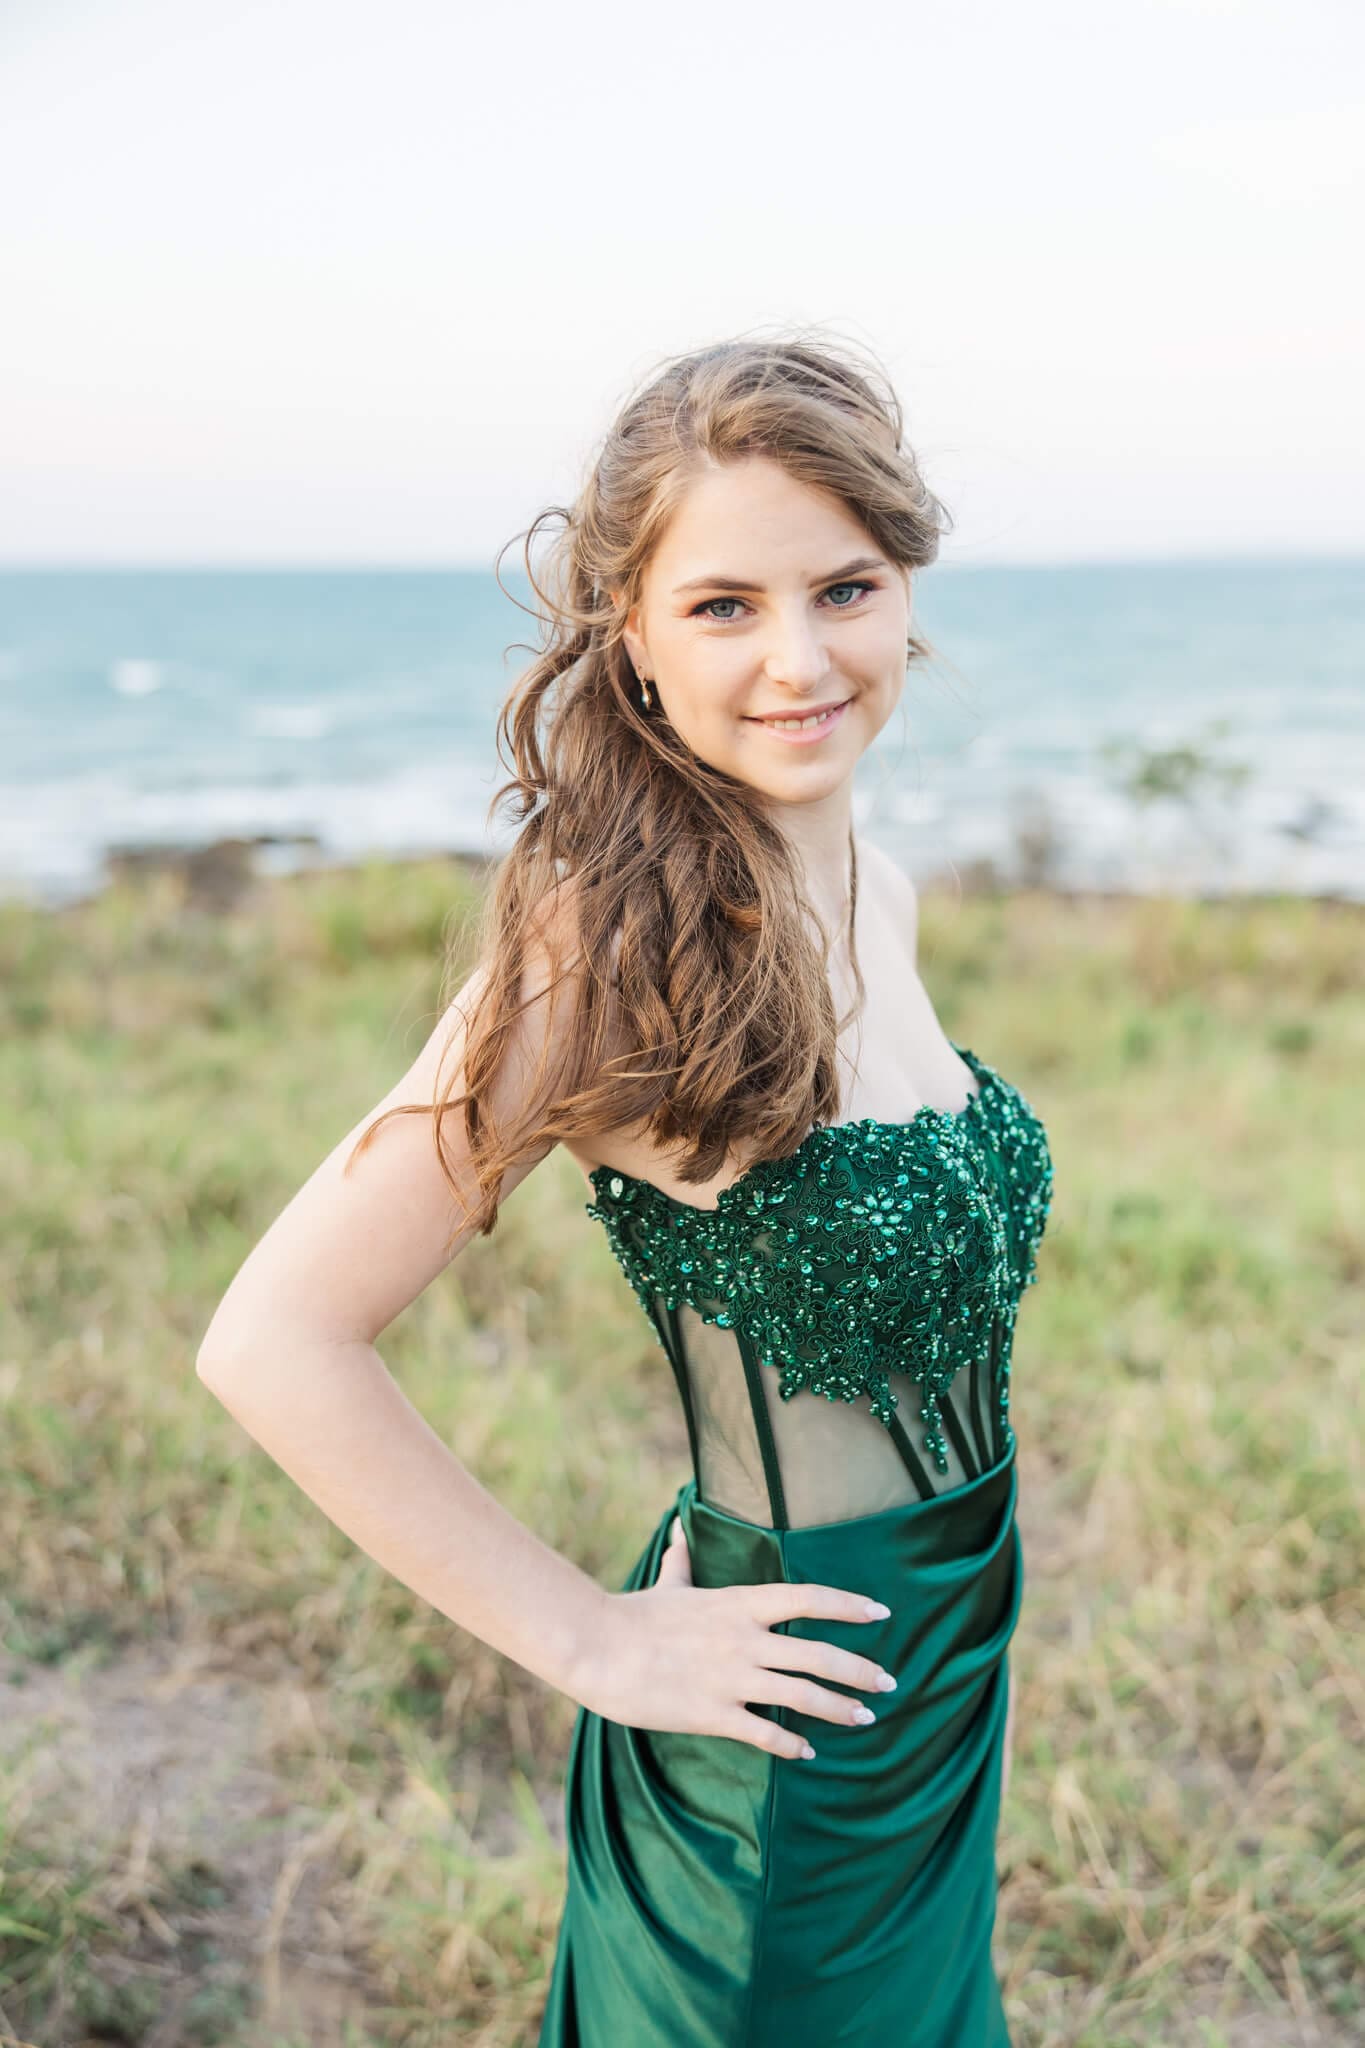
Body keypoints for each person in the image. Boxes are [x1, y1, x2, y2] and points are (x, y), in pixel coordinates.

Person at [196, 331, 1055, 2046]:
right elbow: (274, 1338)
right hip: (775, 1730)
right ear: (632, 637)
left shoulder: (867, 877)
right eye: (724, 605)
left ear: (906, 593)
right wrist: (589, 1642)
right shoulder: (608, 940)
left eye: (846, 586)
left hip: (937, 1671)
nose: (800, 658)